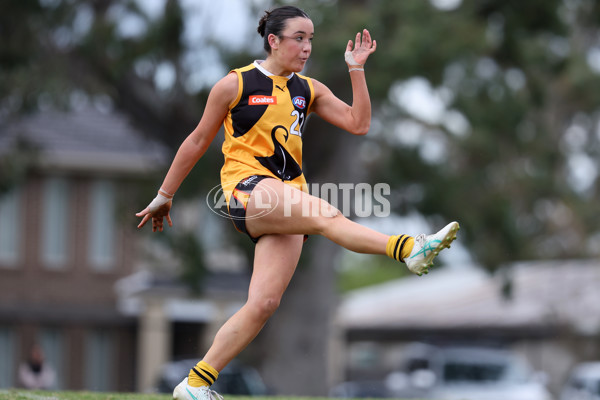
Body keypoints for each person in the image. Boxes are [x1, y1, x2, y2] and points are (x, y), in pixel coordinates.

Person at [136, 5, 459, 400]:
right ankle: (408, 248)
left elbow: (359, 124)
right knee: (326, 213)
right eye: (298, 39)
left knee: (264, 303)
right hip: (247, 189)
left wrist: (356, 69)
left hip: (287, 195)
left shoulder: (309, 89)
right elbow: (197, 141)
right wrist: (164, 196)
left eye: (310, 40)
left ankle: (195, 384)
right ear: (273, 40)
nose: (306, 48)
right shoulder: (234, 85)